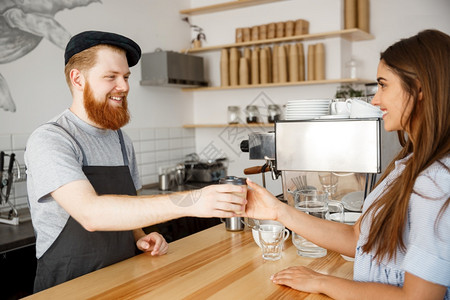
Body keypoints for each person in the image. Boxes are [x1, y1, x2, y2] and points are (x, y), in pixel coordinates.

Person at [24, 31, 247, 292]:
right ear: (78, 79)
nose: (125, 87)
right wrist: (193, 201)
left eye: (126, 77)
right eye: (111, 77)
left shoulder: (121, 140)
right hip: (69, 287)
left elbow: (126, 207)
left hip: (123, 280)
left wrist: (140, 236)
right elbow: (91, 214)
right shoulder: (51, 139)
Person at [245, 29, 449, 299]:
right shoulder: (408, 163)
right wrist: (278, 211)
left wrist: (322, 283)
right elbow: (358, 240)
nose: (375, 100)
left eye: (383, 85)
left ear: (420, 88)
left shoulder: (436, 182)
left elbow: (417, 298)